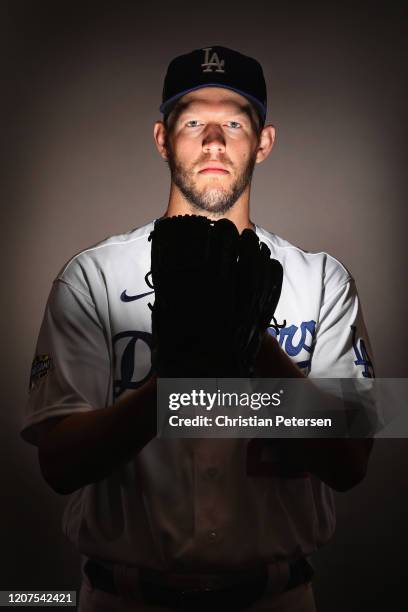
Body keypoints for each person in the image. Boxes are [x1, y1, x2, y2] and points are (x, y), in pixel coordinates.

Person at [20, 45, 375, 611]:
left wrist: (253, 346)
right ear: (163, 138)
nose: (214, 139)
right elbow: (59, 464)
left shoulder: (322, 280)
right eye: (192, 121)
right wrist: (170, 383)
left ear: (264, 142)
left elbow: (350, 460)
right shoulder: (91, 278)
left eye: (234, 121)